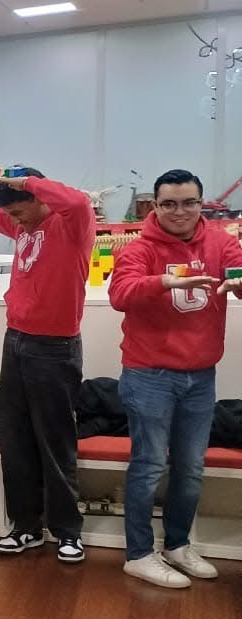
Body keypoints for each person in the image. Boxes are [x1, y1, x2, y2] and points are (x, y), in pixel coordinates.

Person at [108, 169, 242, 588]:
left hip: (201, 376)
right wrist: (164, 281)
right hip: (149, 375)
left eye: (188, 202)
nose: (179, 211)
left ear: (201, 203)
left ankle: (177, 545)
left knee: (191, 468)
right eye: (169, 204)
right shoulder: (139, 248)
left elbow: (238, 273)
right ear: (156, 206)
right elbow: (120, 294)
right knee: (148, 466)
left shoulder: (221, 242)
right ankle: (138, 554)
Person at [0, 167, 95, 562]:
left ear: (38, 197)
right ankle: (25, 526)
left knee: (55, 441)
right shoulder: (23, 226)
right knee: (16, 438)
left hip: (55, 347)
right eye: (11, 216)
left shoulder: (70, 225)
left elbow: (77, 200)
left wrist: (25, 182)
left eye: (19, 211)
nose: (15, 221)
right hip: (16, 340)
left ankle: (67, 531)